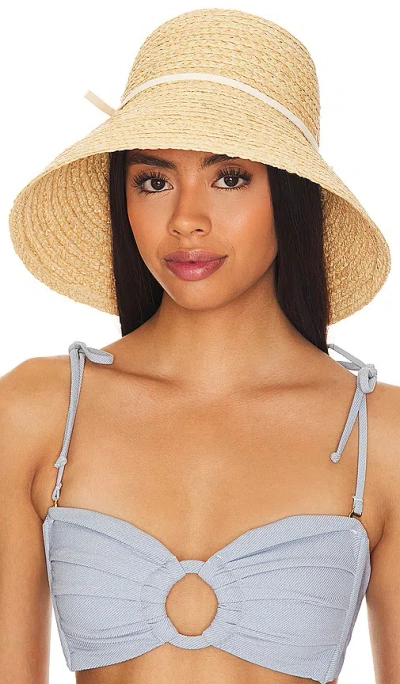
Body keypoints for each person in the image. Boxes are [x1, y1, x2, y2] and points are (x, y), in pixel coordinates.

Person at [2, 7, 399, 684]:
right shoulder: (36, 412)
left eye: (230, 177)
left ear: (290, 196)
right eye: (154, 181)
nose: (186, 219)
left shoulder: (377, 437)